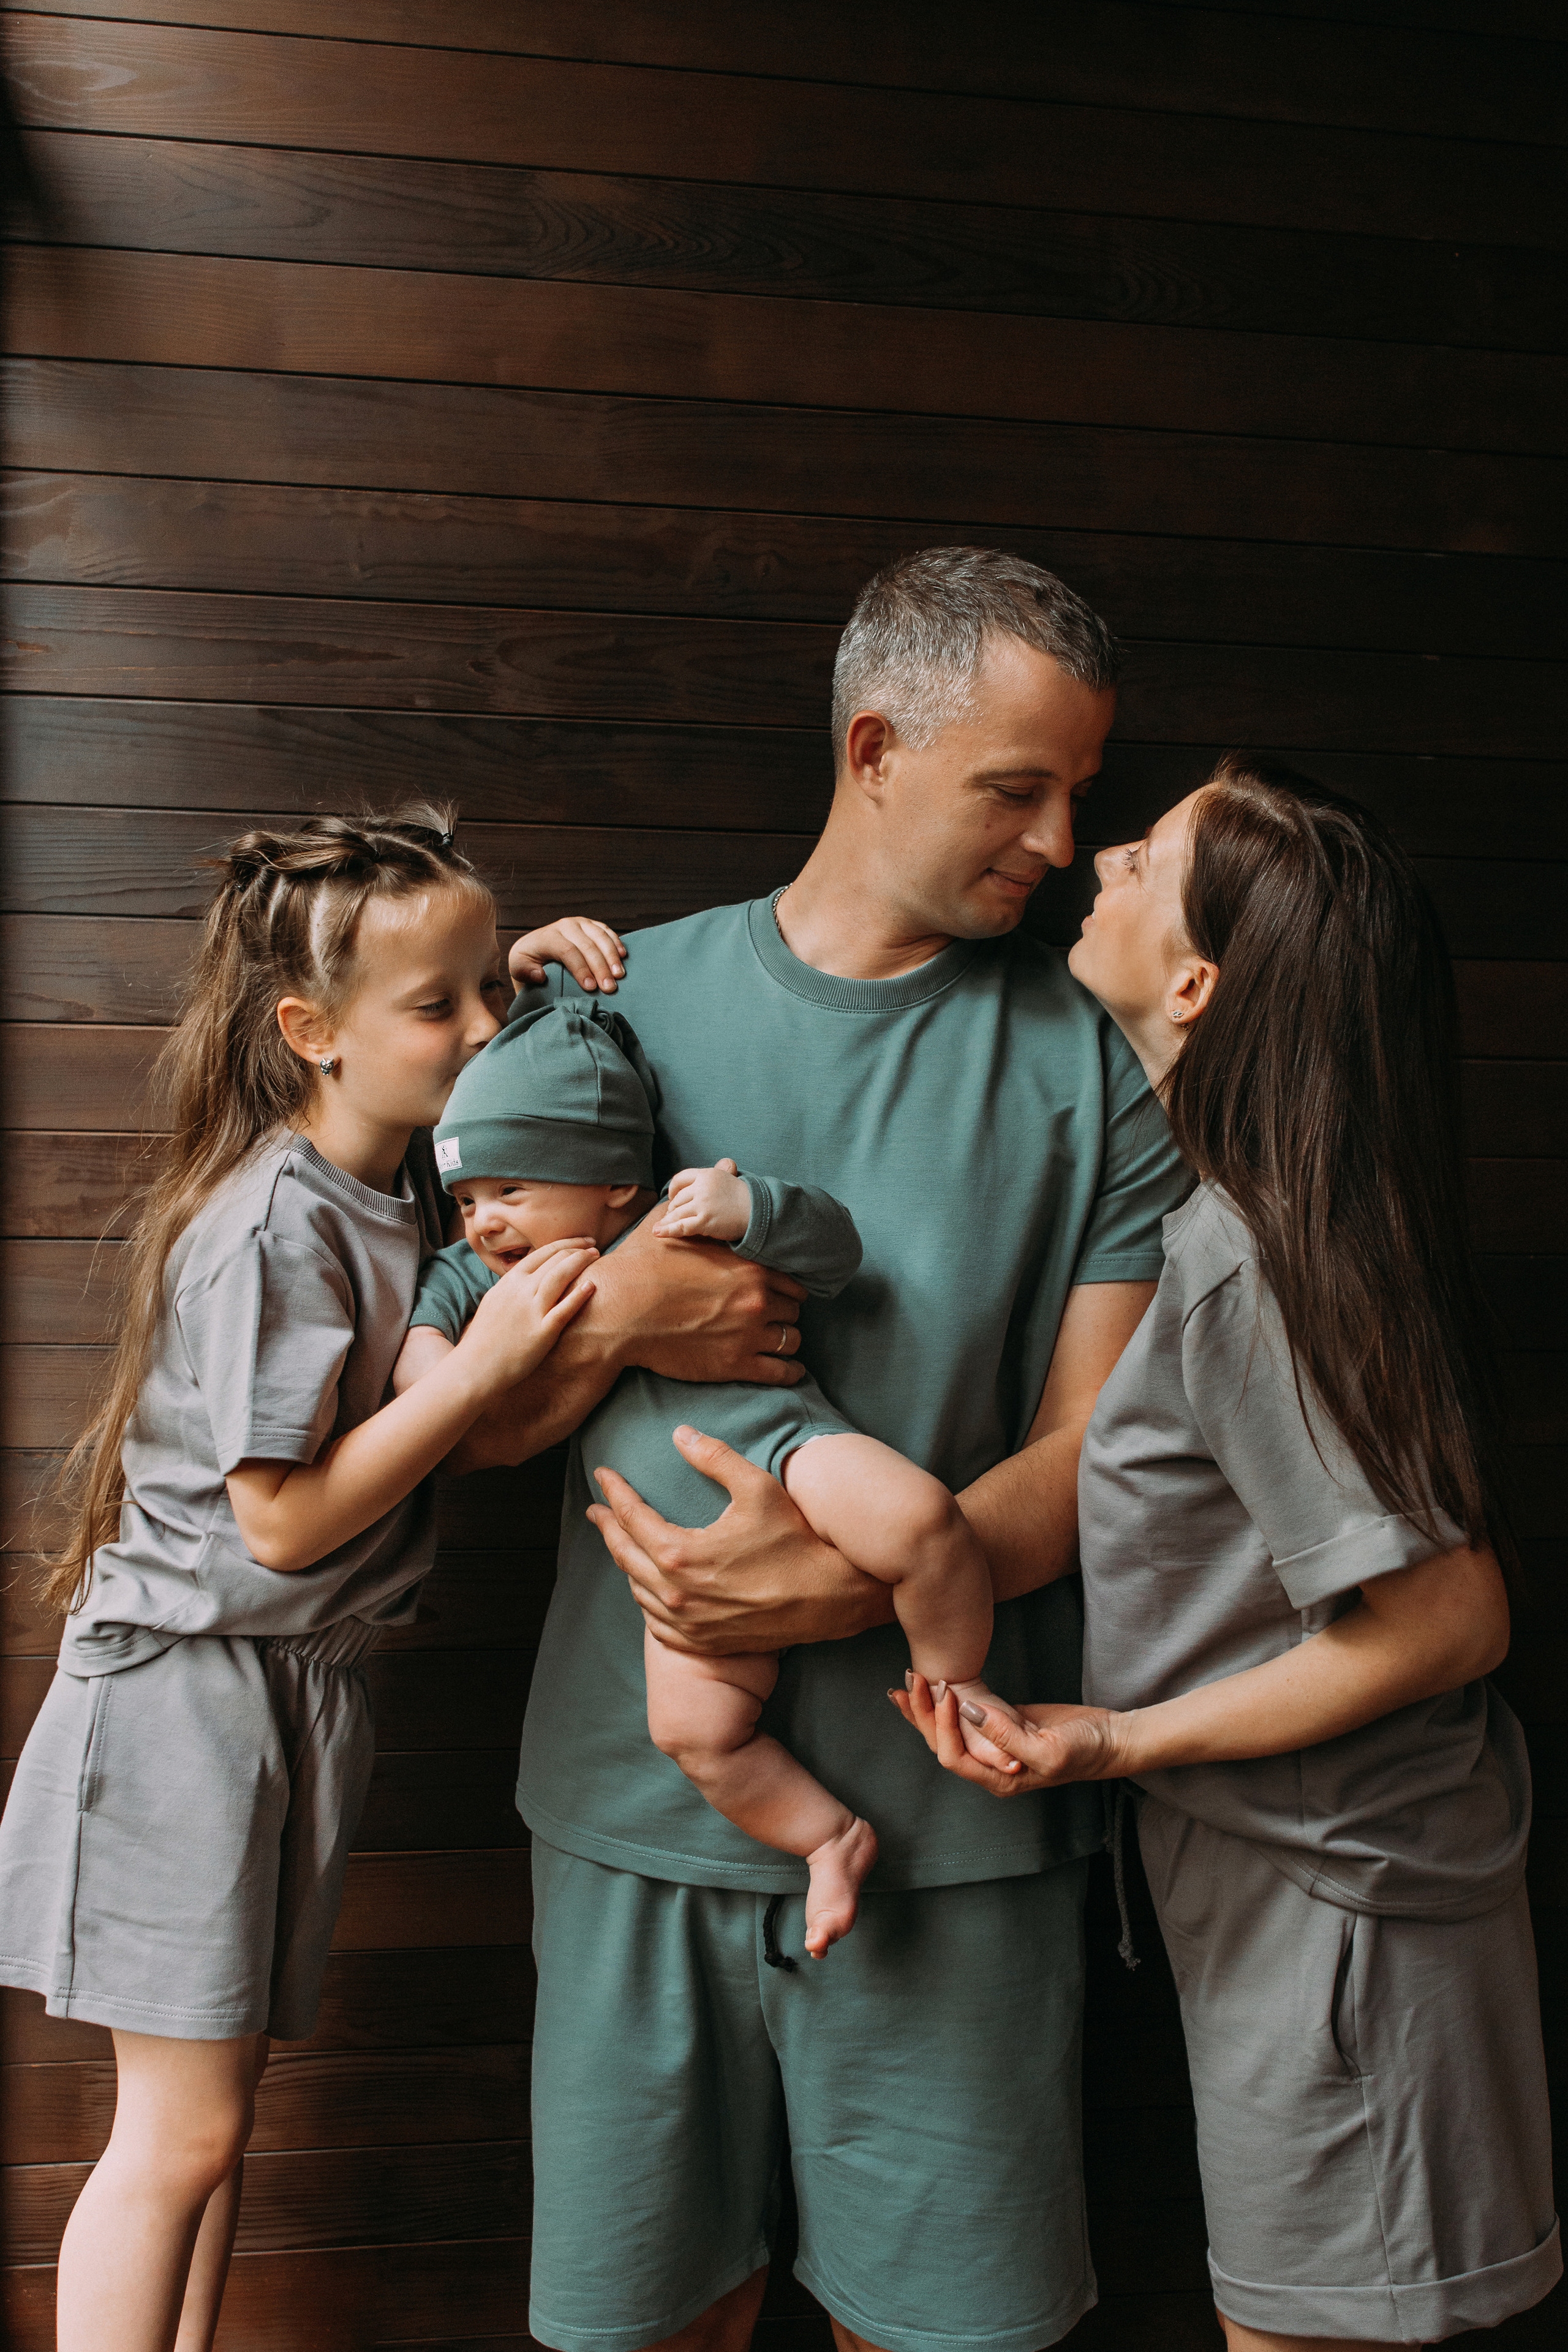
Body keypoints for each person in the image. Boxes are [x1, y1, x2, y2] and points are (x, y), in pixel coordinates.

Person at [453, 548, 1192, 2352]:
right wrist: (618, 1310)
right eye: (1015, 789)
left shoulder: (1089, 1066)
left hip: (961, 1823)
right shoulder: (616, 1007)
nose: (1055, 836)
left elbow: (1104, 1454)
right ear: (874, 748)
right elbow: (479, 1431)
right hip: (638, 1819)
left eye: (1079, 793)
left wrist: (853, 1589)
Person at [896, 758, 1560, 2351]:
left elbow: (1452, 1616)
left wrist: (1115, 1737)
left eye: (1148, 856)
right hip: (1316, 1929)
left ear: (1197, 983)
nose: (1104, 854)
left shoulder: (1242, 1260)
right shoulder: (1259, 1227)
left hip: (1351, 1945)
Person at [0, 809, 603, 2352]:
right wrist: (480, 1382)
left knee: (223, 2125)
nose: (480, 1031)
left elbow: (452, 1020)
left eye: (486, 996)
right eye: (443, 1007)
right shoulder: (274, 1222)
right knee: (177, 2139)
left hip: (283, 1694)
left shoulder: (390, 1181)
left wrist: (511, 975)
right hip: (182, 1701)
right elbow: (277, 1525)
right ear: (308, 1034)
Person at [394, 1001, 1010, 1956]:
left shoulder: (685, 1223)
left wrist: (750, 1209)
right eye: (468, 1199)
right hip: (669, 1574)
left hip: (786, 1451)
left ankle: (954, 1684)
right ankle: (830, 1839)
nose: (485, 1222)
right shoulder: (494, 1283)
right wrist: (445, 1365)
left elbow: (837, 1252)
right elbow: (427, 1353)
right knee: (697, 1736)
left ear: (611, 1183)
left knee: (923, 1524)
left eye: (510, 1187)